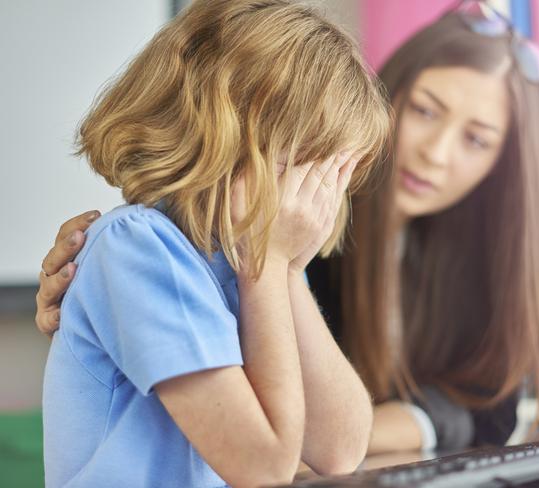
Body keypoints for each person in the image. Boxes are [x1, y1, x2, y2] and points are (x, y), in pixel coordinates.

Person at [37, 0, 539, 458]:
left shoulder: (300, 241)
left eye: (477, 140)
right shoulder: (254, 234)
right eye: (426, 111)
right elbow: (254, 437)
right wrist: (95, 299)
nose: (436, 152)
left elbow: (479, 415)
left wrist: (281, 264)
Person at [40, 0, 390, 486]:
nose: (316, 198)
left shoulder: (245, 256)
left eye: (331, 175)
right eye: (306, 168)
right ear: (222, 131)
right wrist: (268, 269)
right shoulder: (136, 248)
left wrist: (285, 270)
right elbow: (264, 468)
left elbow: (340, 450)